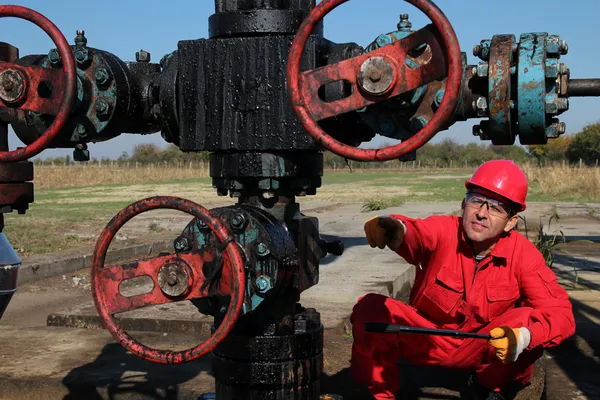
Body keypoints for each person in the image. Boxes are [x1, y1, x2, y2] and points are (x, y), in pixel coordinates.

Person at [349, 160, 575, 400]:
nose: (482, 213)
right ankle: (380, 395)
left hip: (485, 349)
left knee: (527, 321)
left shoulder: (523, 255)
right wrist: (395, 228)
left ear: (510, 222)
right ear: (463, 205)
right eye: (477, 200)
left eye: (496, 208)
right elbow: (418, 235)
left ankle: (486, 385)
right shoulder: (444, 230)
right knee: (371, 309)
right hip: (428, 340)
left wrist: (524, 338)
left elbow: (561, 315)